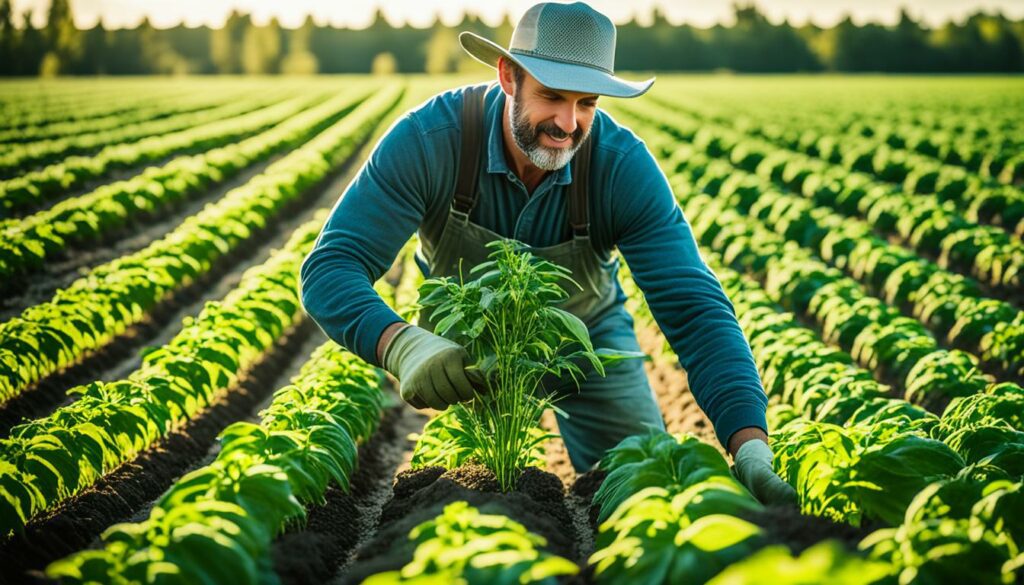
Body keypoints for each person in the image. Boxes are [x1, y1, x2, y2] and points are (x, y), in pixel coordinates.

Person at [300, 1, 796, 505]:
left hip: (585, 344)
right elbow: (330, 269)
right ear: (508, 77)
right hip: (467, 352)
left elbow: (694, 308)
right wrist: (401, 344)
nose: (568, 123)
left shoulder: (621, 167)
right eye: (553, 97)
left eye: (587, 103)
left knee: (641, 485)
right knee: (459, 504)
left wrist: (749, 443)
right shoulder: (433, 141)